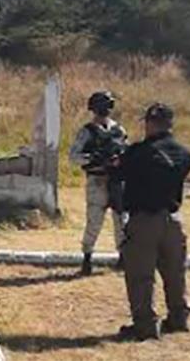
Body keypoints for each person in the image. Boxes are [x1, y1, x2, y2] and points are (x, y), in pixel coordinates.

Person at [117, 102, 190, 341]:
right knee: (174, 272)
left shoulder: (138, 152)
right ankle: (179, 317)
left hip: (144, 219)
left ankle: (146, 325)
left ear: (149, 123)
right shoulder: (183, 153)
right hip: (173, 219)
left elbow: (119, 172)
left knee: (141, 274)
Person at [69, 91, 128, 276]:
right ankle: (87, 258)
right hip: (97, 180)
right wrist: (95, 158)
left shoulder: (119, 130)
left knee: (121, 221)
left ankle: (123, 258)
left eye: (107, 106)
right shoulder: (87, 131)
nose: (104, 110)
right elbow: (74, 157)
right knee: (94, 221)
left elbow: (127, 151)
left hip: (117, 180)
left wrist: (120, 160)